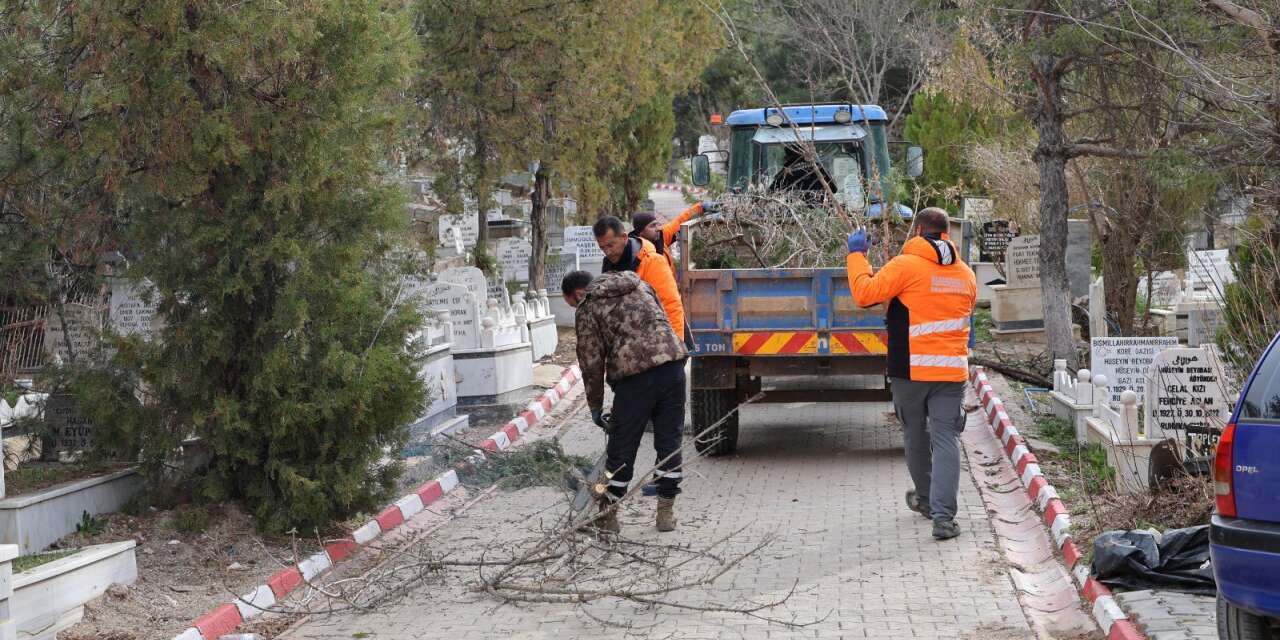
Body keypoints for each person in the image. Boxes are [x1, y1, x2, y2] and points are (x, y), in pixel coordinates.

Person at [844, 207, 977, 540]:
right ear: (947, 234)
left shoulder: (905, 266)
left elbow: (864, 294)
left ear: (918, 230)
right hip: (951, 373)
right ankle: (944, 519)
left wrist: (857, 256)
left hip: (909, 371)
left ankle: (927, 501)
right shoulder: (966, 274)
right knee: (946, 440)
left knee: (916, 436)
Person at [562, 269, 688, 533]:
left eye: (572, 303)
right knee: (669, 443)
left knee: (621, 450)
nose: (575, 308)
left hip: (635, 379)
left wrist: (595, 406)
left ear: (578, 293)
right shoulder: (640, 283)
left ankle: (608, 516)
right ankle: (666, 515)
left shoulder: (588, 305)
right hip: (673, 367)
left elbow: (591, 363)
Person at [593, 216, 684, 339]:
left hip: (657, 339)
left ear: (624, 237)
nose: (607, 252)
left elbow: (670, 306)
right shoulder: (608, 265)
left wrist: (676, 344)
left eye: (610, 245)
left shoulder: (651, 261)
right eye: (602, 247)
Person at [630, 200, 720, 276]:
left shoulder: (660, 237)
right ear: (641, 233)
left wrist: (701, 207)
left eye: (657, 224)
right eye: (652, 226)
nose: (658, 228)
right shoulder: (636, 256)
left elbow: (679, 221)